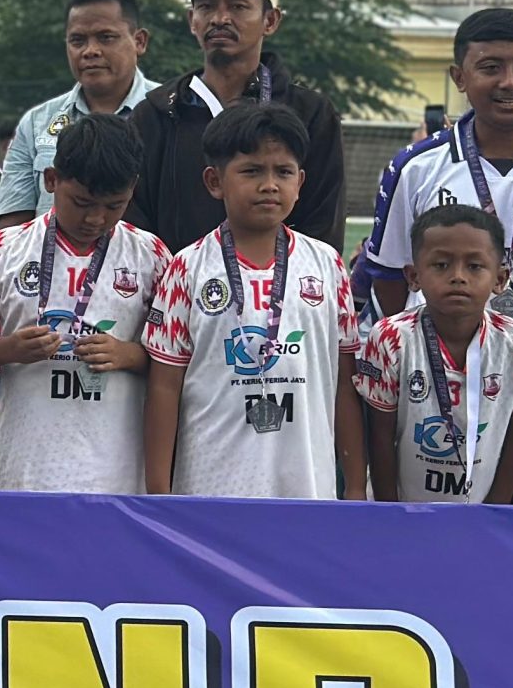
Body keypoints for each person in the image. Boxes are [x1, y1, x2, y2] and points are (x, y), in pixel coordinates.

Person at [143, 104, 363, 500]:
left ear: (301, 181)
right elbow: (164, 386)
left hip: (306, 489)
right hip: (211, 490)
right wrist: (158, 491)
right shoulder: (187, 268)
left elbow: (345, 383)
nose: (269, 185)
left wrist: (357, 485)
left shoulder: (327, 264)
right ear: (215, 181)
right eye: (252, 171)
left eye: (283, 172)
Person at [0, 113, 168, 494]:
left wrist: (127, 355)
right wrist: (8, 349)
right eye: (82, 202)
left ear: (133, 189)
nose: (96, 218)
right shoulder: (0, 251)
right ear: (51, 179)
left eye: (114, 205)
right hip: (25, 469)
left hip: (118, 474)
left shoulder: (151, 256)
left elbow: (175, 362)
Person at [361, 7, 513, 318]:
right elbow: (390, 275)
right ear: (460, 77)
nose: (510, 82)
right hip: (442, 348)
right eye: (491, 67)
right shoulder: (415, 167)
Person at [128, 0, 344, 253]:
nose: (220, 18)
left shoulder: (311, 113)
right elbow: (135, 226)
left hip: (281, 281)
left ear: (270, 20)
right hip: (176, 281)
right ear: (192, 20)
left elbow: (323, 223)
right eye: (206, 6)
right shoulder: (156, 113)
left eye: (238, 6)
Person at [356, 204, 513, 504]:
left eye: (474, 266)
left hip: (482, 508)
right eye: (441, 265)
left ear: (500, 279)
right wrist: (390, 510)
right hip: (403, 506)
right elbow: (379, 435)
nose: (458, 277)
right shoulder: (390, 338)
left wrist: (495, 506)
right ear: (414, 276)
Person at [0, 0, 157, 226]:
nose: (90, 51)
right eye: (77, 40)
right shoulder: (36, 123)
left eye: (106, 37)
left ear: (139, 41)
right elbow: (12, 227)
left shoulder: (170, 112)